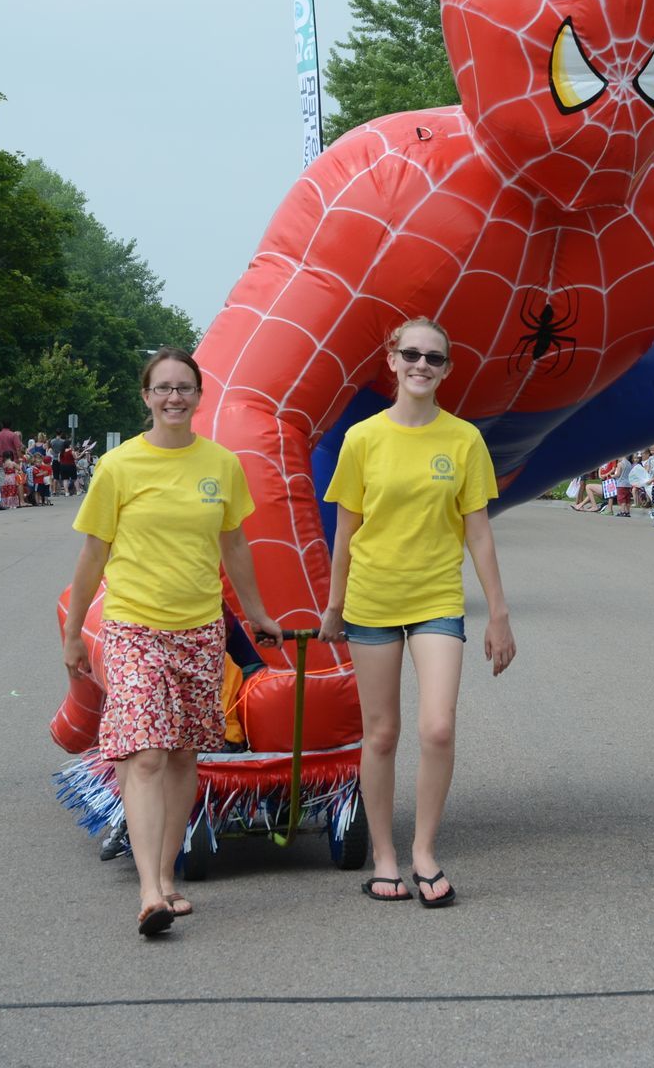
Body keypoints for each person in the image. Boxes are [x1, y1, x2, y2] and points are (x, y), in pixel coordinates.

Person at [62, 346, 278, 935]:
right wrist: (72, 633)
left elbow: (235, 546)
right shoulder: (120, 467)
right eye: (163, 388)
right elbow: (93, 554)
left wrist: (257, 614)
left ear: (199, 396)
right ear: (146, 396)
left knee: (185, 752)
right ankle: (150, 890)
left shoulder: (221, 466)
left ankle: (167, 873)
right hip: (134, 626)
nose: (174, 398)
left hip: (201, 630)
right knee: (149, 751)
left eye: (184, 388)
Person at [321, 317, 514, 908]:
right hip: (372, 602)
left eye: (434, 358)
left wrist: (499, 614)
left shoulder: (463, 440)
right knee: (381, 733)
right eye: (412, 355)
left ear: (447, 369)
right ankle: (384, 856)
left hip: (436, 598)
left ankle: (424, 852)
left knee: (437, 726)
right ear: (392, 359)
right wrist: (333, 605)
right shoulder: (362, 440)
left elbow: (478, 532)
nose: (421, 366)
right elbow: (346, 531)